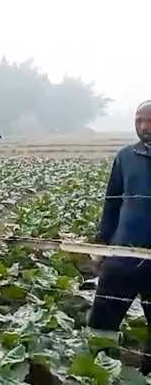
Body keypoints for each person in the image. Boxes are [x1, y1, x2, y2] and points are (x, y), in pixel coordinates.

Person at [88, 100, 151, 374]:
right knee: (102, 320)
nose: (144, 126)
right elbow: (112, 204)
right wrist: (102, 245)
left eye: (149, 121)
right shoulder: (126, 157)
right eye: (139, 120)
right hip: (123, 255)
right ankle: (100, 369)